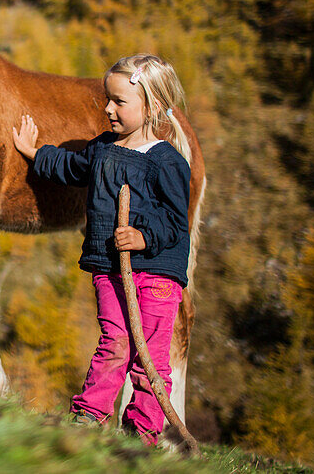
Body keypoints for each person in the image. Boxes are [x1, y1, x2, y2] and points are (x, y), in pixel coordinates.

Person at [11, 53, 191, 445]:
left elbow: (176, 222)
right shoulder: (103, 149)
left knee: (150, 361)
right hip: (110, 269)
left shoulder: (168, 163)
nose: (108, 108)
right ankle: (88, 418)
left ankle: (140, 434)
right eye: (107, 99)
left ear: (152, 106)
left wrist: (143, 237)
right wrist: (33, 152)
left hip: (158, 275)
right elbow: (71, 166)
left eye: (119, 102)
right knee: (115, 343)